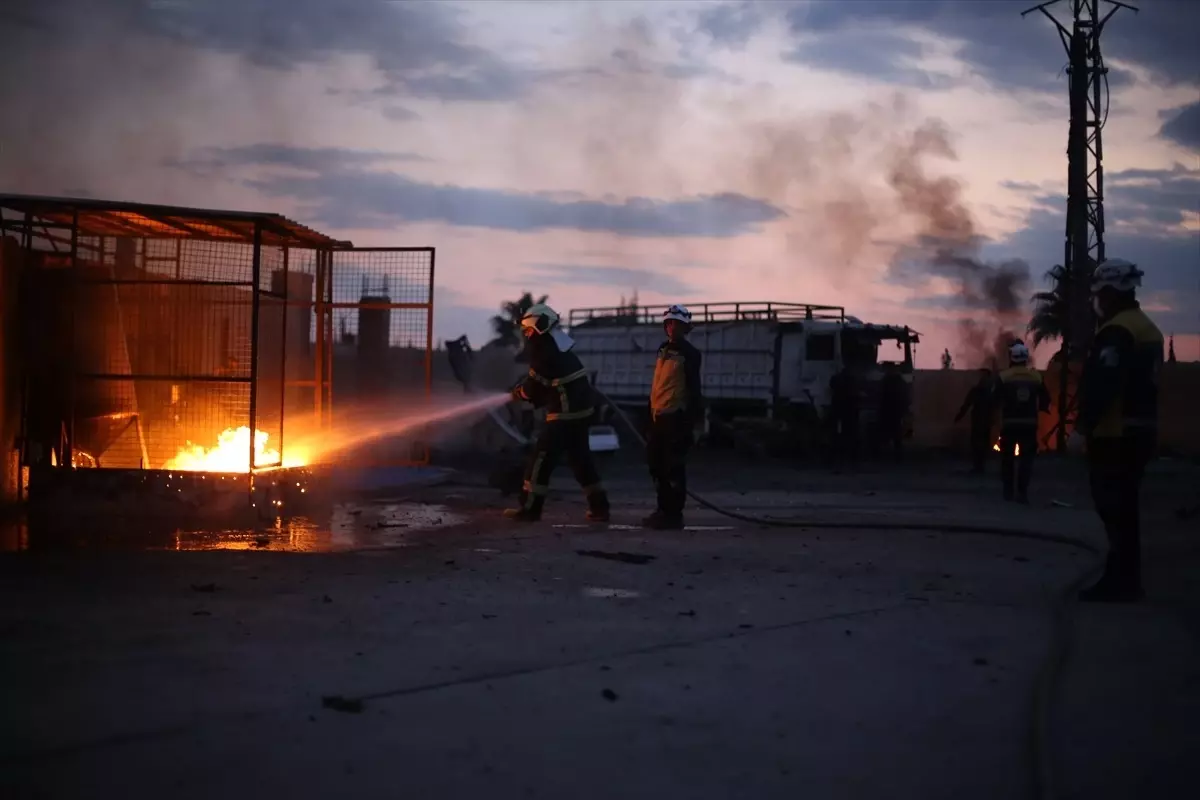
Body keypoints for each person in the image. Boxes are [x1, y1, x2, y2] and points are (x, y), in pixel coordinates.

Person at [1072, 259, 1163, 603]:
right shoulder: (1147, 328)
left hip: (1116, 435)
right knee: (1125, 510)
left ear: (1110, 293)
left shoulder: (1117, 331)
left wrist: (1083, 427)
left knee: (1114, 509)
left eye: (1100, 294)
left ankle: (1121, 582)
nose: (1097, 301)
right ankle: (1125, 578)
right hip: (1140, 432)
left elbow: (1105, 384)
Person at [505, 303, 610, 522]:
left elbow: (533, 387)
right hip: (581, 413)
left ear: (537, 326)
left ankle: (530, 509)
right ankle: (599, 507)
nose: (526, 334)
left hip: (564, 415)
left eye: (528, 329)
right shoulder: (558, 346)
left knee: (541, 459)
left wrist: (518, 393)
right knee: (581, 461)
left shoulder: (543, 349)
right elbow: (549, 383)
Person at [644, 304, 704, 530]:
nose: (671, 327)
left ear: (684, 327)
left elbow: (694, 390)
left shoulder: (690, 354)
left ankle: (673, 514)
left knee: (673, 468)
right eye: (668, 323)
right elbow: (658, 384)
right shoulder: (662, 350)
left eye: (676, 324)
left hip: (676, 420)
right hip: (657, 416)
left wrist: (692, 423)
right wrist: (649, 415)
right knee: (656, 466)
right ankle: (662, 509)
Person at [993, 341, 1050, 503]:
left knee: (1008, 459)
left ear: (1012, 357)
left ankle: (1008, 491)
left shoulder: (1004, 377)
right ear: (1026, 358)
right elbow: (1045, 399)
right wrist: (1039, 409)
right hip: (1029, 425)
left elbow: (994, 399)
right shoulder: (1036, 377)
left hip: (1009, 424)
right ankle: (1022, 492)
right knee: (1026, 460)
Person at [954, 368, 996, 473]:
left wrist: (959, 416)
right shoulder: (984, 391)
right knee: (979, 443)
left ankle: (979, 465)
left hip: (982, 421)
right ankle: (979, 465)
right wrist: (959, 416)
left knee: (980, 443)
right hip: (981, 421)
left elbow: (967, 405)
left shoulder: (986, 391)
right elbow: (967, 404)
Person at [828, 365, 860, 471]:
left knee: (836, 434)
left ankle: (836, 458)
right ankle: (851, 458)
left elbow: (831, 388)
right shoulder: (853, 380)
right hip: (850, 409)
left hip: (838, 408)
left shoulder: (836, 379)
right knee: (850, 433)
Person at [878, 362, 909, 460]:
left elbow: (881, 395)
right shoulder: (901, 382)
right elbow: (905, 396)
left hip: (888, 410)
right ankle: (897, 455)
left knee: (887, 434)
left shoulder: (885, 381)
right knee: (896, 434)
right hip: (896, 411)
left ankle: (887, 455)